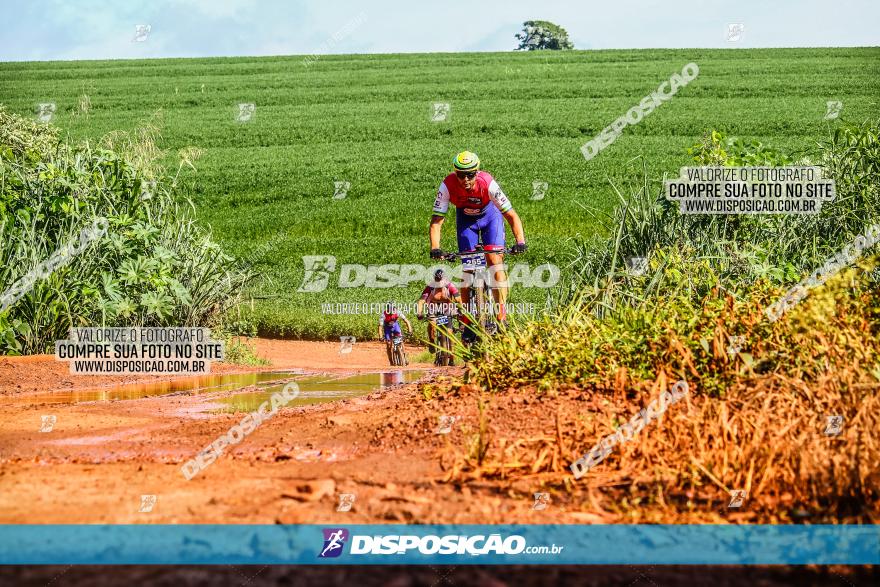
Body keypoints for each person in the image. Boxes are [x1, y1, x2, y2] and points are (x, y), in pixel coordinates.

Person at [429, 151, 526, 338]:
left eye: (470, 174)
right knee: (467, 270)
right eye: (461, 174)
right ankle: (466, 320)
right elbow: (436, 221)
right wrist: (435, 248)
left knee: (495, 261)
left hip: (491, 218)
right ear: (455, 173)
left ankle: (501, 315)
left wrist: (520, 242)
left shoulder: (488, 183)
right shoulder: (447, 185)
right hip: (466, 221)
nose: (465, 179)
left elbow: (511, 215)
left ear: (477, 171)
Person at [416, 268, 463, 352]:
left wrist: (460, 310)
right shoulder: (430, 287)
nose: (438, 281)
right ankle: (432, 341)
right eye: (436, 279)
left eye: (440, 279)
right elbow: (421, 301)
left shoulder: (449, 286)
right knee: (432, 325)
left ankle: (452, 354)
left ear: (444, 279)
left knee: (450, 331)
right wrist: (419, 312)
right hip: (433, 308)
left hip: (447, 308)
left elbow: (459, 299)